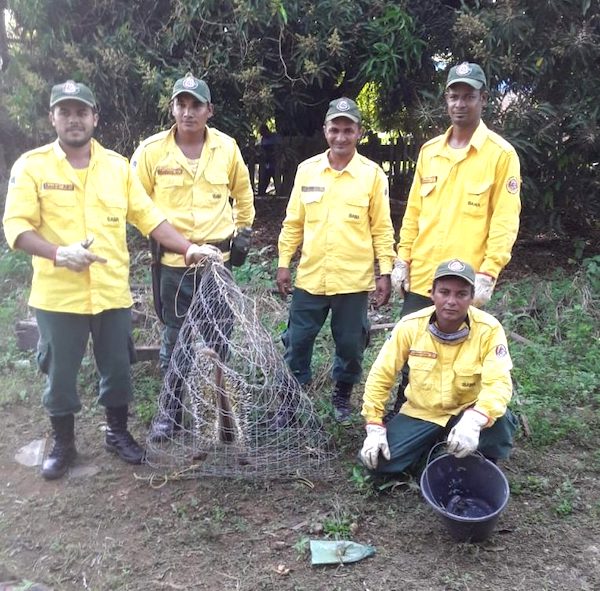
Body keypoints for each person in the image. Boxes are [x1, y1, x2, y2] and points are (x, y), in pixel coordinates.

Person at [2, 80, 212, 480]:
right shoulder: (32, 166)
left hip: (111, 292)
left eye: (82, 112)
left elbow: (148, 217)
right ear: (53, 118)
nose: (74, 119)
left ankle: (117, 432)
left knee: (117, 367)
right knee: (60, 372)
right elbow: (16, 227)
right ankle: (63, 442)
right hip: (57, 296)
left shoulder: (117, 167)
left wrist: (187, 248)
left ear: (95, 117)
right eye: (65, 112)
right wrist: (58, 253)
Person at [389, 62, 522, 416]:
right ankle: (405, 408)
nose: (460, 104)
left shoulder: (501, 154)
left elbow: (505, 221)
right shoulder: (429, 151)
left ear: (483, 100)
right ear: (446, 100)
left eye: (468, 96)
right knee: (411, 346)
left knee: (461, 353)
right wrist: (402, 259)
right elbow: (414, 211)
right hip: (424, 275)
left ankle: (462, 417)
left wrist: (489, 273)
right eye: (454, 96)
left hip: (463, 282)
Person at [131, 73, 255, 441]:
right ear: (172, 108)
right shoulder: (152, 151)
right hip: (174, 264)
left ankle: (223, 413)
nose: (187, 112)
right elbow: (136, 205)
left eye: (195, 105)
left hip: (217, 265)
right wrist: (158, 239)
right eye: (181, 104)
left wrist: (243, 232)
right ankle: (170, 413)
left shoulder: (227, 148)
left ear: (209, 110)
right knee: (176, 340)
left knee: (219, 339)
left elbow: (244, 193)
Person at [276, 97, 396, 423]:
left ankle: (342, 396)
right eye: (335, 129)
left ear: (359, 132)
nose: (341, 137)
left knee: (350, 344)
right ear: (325, 130)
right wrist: (284, 263)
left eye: (348, 130)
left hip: (353, 282)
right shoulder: (307, 171)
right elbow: (293, 223)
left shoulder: (372, 176)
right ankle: (291, 399)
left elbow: (382, 229)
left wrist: (385, 272)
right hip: (311, 279)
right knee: (297, 341)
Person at [359, 259, 518, 476]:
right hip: (422, 412)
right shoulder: (410, 326)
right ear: (432, 294)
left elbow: (499, 383)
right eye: (444, 292)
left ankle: (483, 463)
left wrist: (474, 419)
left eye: (461, 294)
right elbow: (381, 374)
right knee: (379, 465)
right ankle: (435, 452)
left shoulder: (489, 330)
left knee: (500, 421)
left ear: (472, 298)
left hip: (466, 410)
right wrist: (374, 424)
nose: (451, 301)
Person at [257, 123, 280, 196]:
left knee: (276, 179)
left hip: (275, 163)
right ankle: (261, 194)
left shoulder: (275, 137)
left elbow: (279, 148)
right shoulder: (263, 139)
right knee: (265, 179)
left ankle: (279, 194)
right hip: (266, 163)